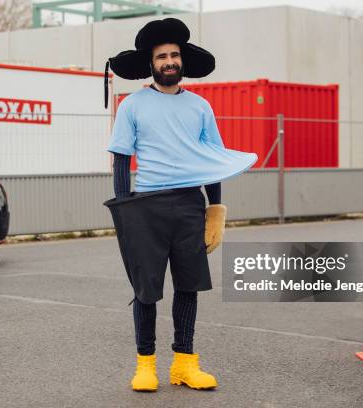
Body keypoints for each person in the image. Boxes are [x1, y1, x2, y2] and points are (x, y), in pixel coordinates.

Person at [102, 18, 257, 392]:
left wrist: (215, 209)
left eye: (174, 55)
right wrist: (125, 212)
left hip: (190, 204)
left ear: (182, 61)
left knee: (188, 286)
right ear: (151, 63)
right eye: (162, 56)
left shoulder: (200, 107)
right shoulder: (132, 105)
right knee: (146, 290)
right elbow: (122, 159)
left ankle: (185, 364)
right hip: (147, 206)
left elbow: (213, 159)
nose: (169, 61)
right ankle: (145, 365)